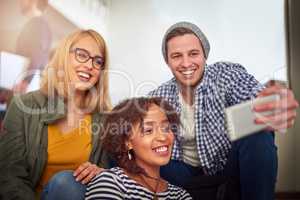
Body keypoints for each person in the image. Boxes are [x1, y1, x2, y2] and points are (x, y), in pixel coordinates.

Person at [148, 21, 299, 200]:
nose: (186, 63)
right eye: (176, 56)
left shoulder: (225, 75)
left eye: (193, 53)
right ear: (168, 61)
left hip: (227, 168)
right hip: (182, 176)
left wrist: (269, 100)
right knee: (134, 148)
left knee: (257, 131)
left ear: (205, 54)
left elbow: (250, 91)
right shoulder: (159, 96)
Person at [0, 29, 111, 200]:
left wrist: (103, 176)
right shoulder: (24, 106)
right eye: (82, 55)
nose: (89, 66)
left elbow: (115, 179)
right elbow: (10, 175)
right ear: (63, 57)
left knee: (67, 184)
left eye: (98, 61)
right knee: (64, 183)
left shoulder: (105, 120)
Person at [85, 97, 192, 200]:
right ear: (126, 142)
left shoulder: (181, 195)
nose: (163, 137)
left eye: (166, 128)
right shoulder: (110, 182)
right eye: (148, 130)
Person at [14, 0, 52, 93]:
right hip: (22, 84)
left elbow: (38, 55)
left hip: (24, 86)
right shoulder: (36, 24)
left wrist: (25, 82)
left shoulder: (38, 24)